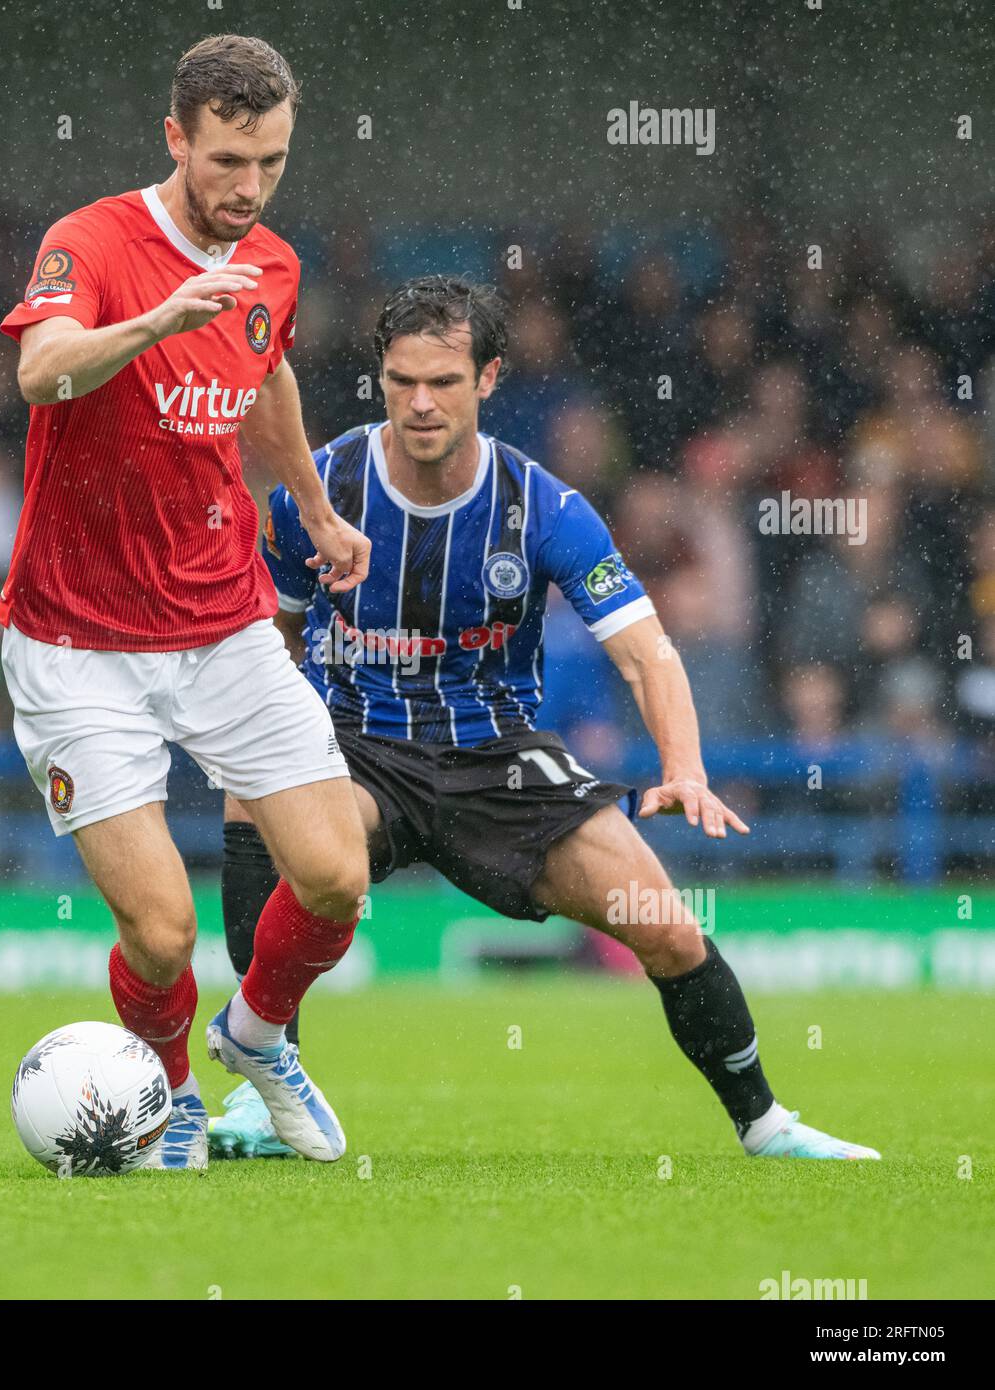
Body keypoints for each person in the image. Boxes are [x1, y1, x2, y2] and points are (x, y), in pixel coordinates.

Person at [212, 274, 879, 1163]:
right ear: (380, 377)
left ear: (488, 379)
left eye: (443, 383)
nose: (419, 403)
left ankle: (765, 1125)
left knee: (666, 924)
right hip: (356, 749)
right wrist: (254, 733)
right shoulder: (318, 486)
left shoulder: (544, 507)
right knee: (249, 794)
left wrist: (682, 766)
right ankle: (267, 1084)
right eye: (401, 380)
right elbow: (273, 631)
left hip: (497, 762)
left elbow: (645, 650)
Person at [0, 35, 372, 1171]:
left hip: (223, 623)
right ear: (175, 138)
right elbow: (41, 371)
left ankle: (255, 1039)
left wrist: (309, 502)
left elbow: (263, 373)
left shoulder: (272, 264)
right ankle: (169, 1092)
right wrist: (159, 318)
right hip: (76, 640)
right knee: (160, 933)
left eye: (268, 162)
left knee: (335, 874)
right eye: (224, 160)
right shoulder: (92, 240)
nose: (245, 187)